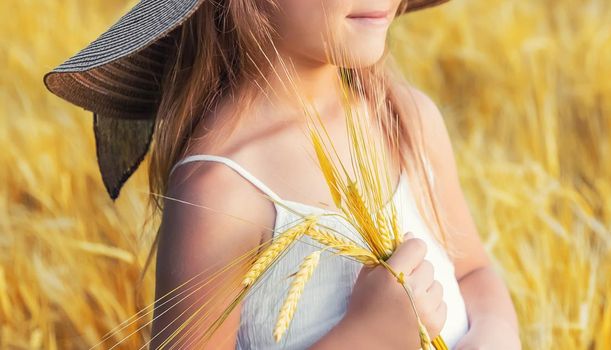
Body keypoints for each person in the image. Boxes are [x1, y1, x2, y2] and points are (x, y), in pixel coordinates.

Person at [44, 0, 519, 348]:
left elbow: (473, 270)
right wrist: (364, 338)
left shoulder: (405, 118)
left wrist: (494, 336)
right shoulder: (224, 190)